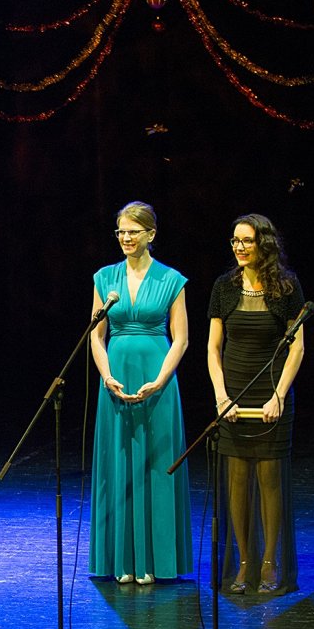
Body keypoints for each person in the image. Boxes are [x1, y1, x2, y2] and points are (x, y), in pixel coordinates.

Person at [88, 202, 193, 586]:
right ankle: (122, 559)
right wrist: (106, 375)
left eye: (133, 231)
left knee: (155, 462)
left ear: (151, 234)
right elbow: (96, 335)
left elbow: (181, 339)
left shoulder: (171, 279)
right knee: (118, 462)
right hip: (116, 378)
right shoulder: (105, 277)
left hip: (156, 377)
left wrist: (161, 379)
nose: (126, 238)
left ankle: (156, 559)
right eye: (121, 231)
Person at [206, 216, 306, 596]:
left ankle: (269, 561)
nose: (239, 247)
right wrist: (221, 396)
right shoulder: (224, 286)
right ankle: (245, 560)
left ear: (264, 243)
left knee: (269, 481)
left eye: (246, 240)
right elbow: (213, 347)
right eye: (235, 240)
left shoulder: (287, 287)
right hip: (234, 392)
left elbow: (297, 347)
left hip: (271, 393)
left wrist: (279, 395)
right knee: (236, 481)